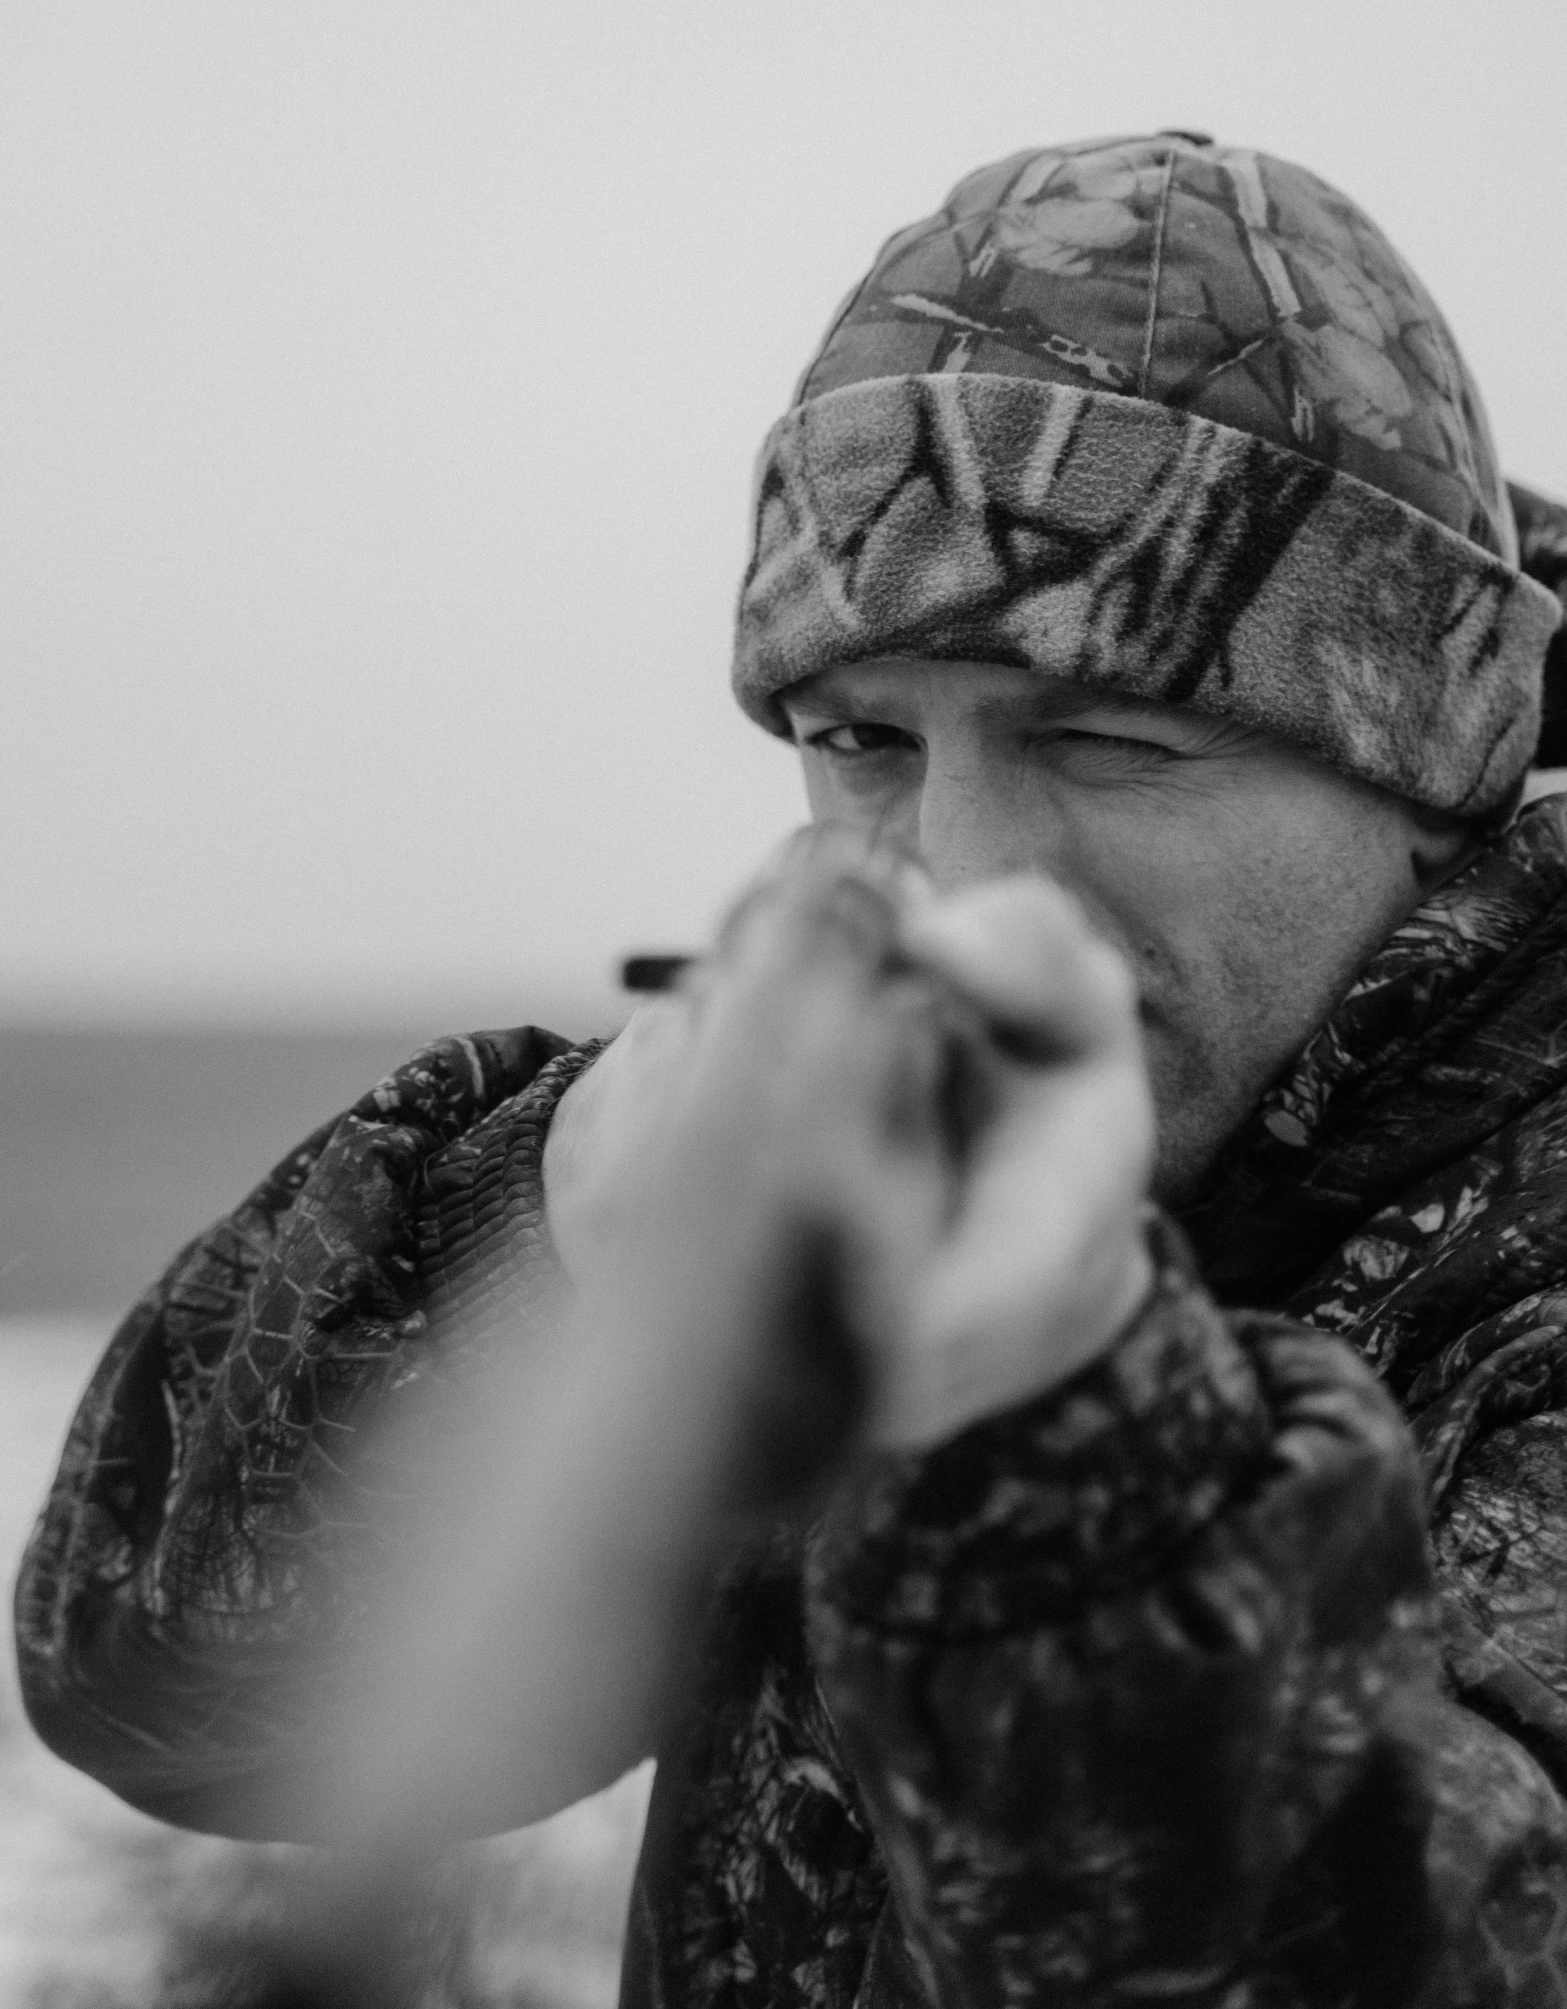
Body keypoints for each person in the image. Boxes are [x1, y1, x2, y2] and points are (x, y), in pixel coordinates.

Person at [18, 132, 1567, 2003]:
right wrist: (555, 1233)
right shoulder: (845, 1166)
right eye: (862, 741)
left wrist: (1056, 1422)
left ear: (1435, 771)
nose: (965, 874)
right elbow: (172, 1698)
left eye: (1113, 741)